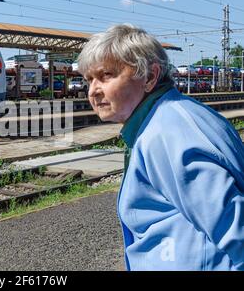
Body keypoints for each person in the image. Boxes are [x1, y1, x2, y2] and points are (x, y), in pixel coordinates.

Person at [77, 24, 244, 271]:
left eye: (106, 75)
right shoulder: (178, 114)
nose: (93, 91)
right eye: (89, 79)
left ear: (150, 76)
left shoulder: (165, 133)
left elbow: (235, 229)